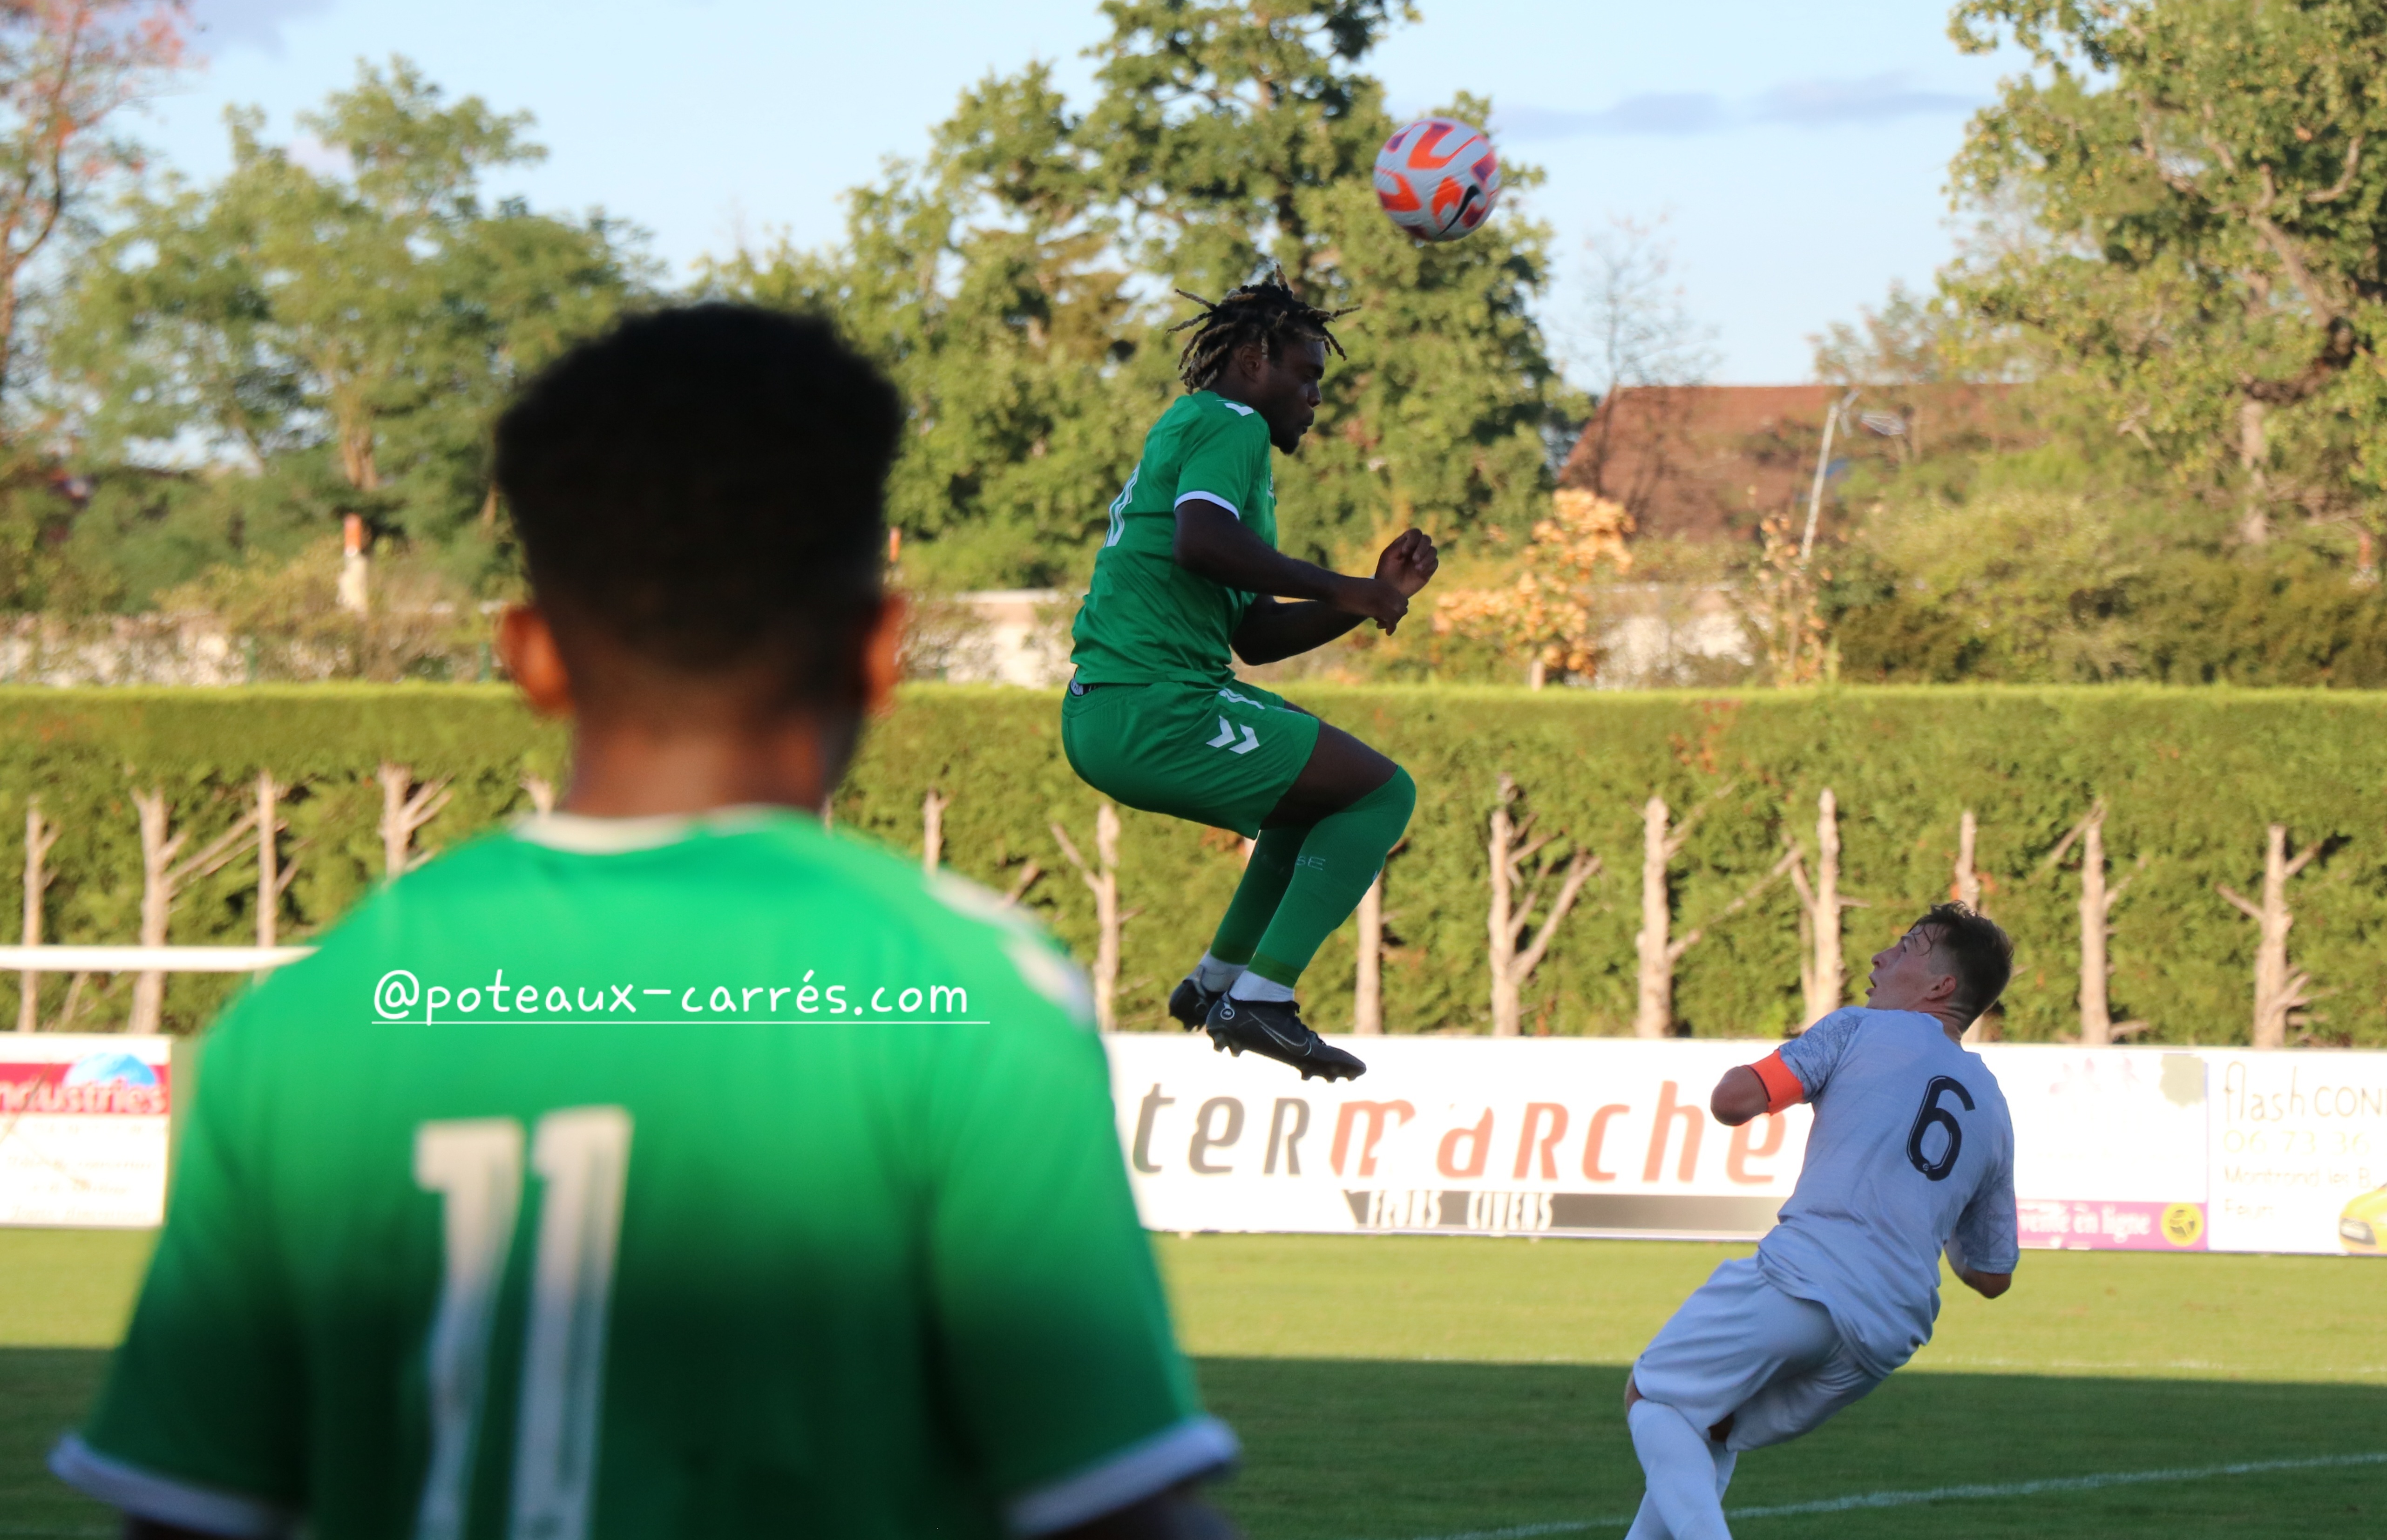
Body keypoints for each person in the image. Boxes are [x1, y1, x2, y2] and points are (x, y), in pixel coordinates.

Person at [53, 306, 1241, 1540]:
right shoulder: (969, 995)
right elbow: (1117, 1514)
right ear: (879, 650)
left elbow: (184, 1519)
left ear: (528, 656)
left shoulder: (301, 1022)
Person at [1062, 271, 1438, 1083]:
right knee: (1384, 793)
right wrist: (1345, 587)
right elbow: (1199, 543)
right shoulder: (1230, 424)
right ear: (1252, 360)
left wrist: (1368, 597)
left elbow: (1256, 636)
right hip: (1153, 703)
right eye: (1306, 375)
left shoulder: (1206, 436)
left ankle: (1218, 983)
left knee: (1313, 805)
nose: (1314, 397)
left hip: (1124, 703)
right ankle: (1261, 998)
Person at [1620, 902, 2019, 1540]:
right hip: (1887, 1330)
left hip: (1805, 1280)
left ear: (1941, 985)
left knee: (1652, 1397)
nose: (1880, 957)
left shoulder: (1858, 1027)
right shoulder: (1993, 1110)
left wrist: (1769, 1067)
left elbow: (1733, 1101)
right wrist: (1922, 1204)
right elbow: (1991, 1275)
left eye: (1905, 947)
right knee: (1709, 1426)